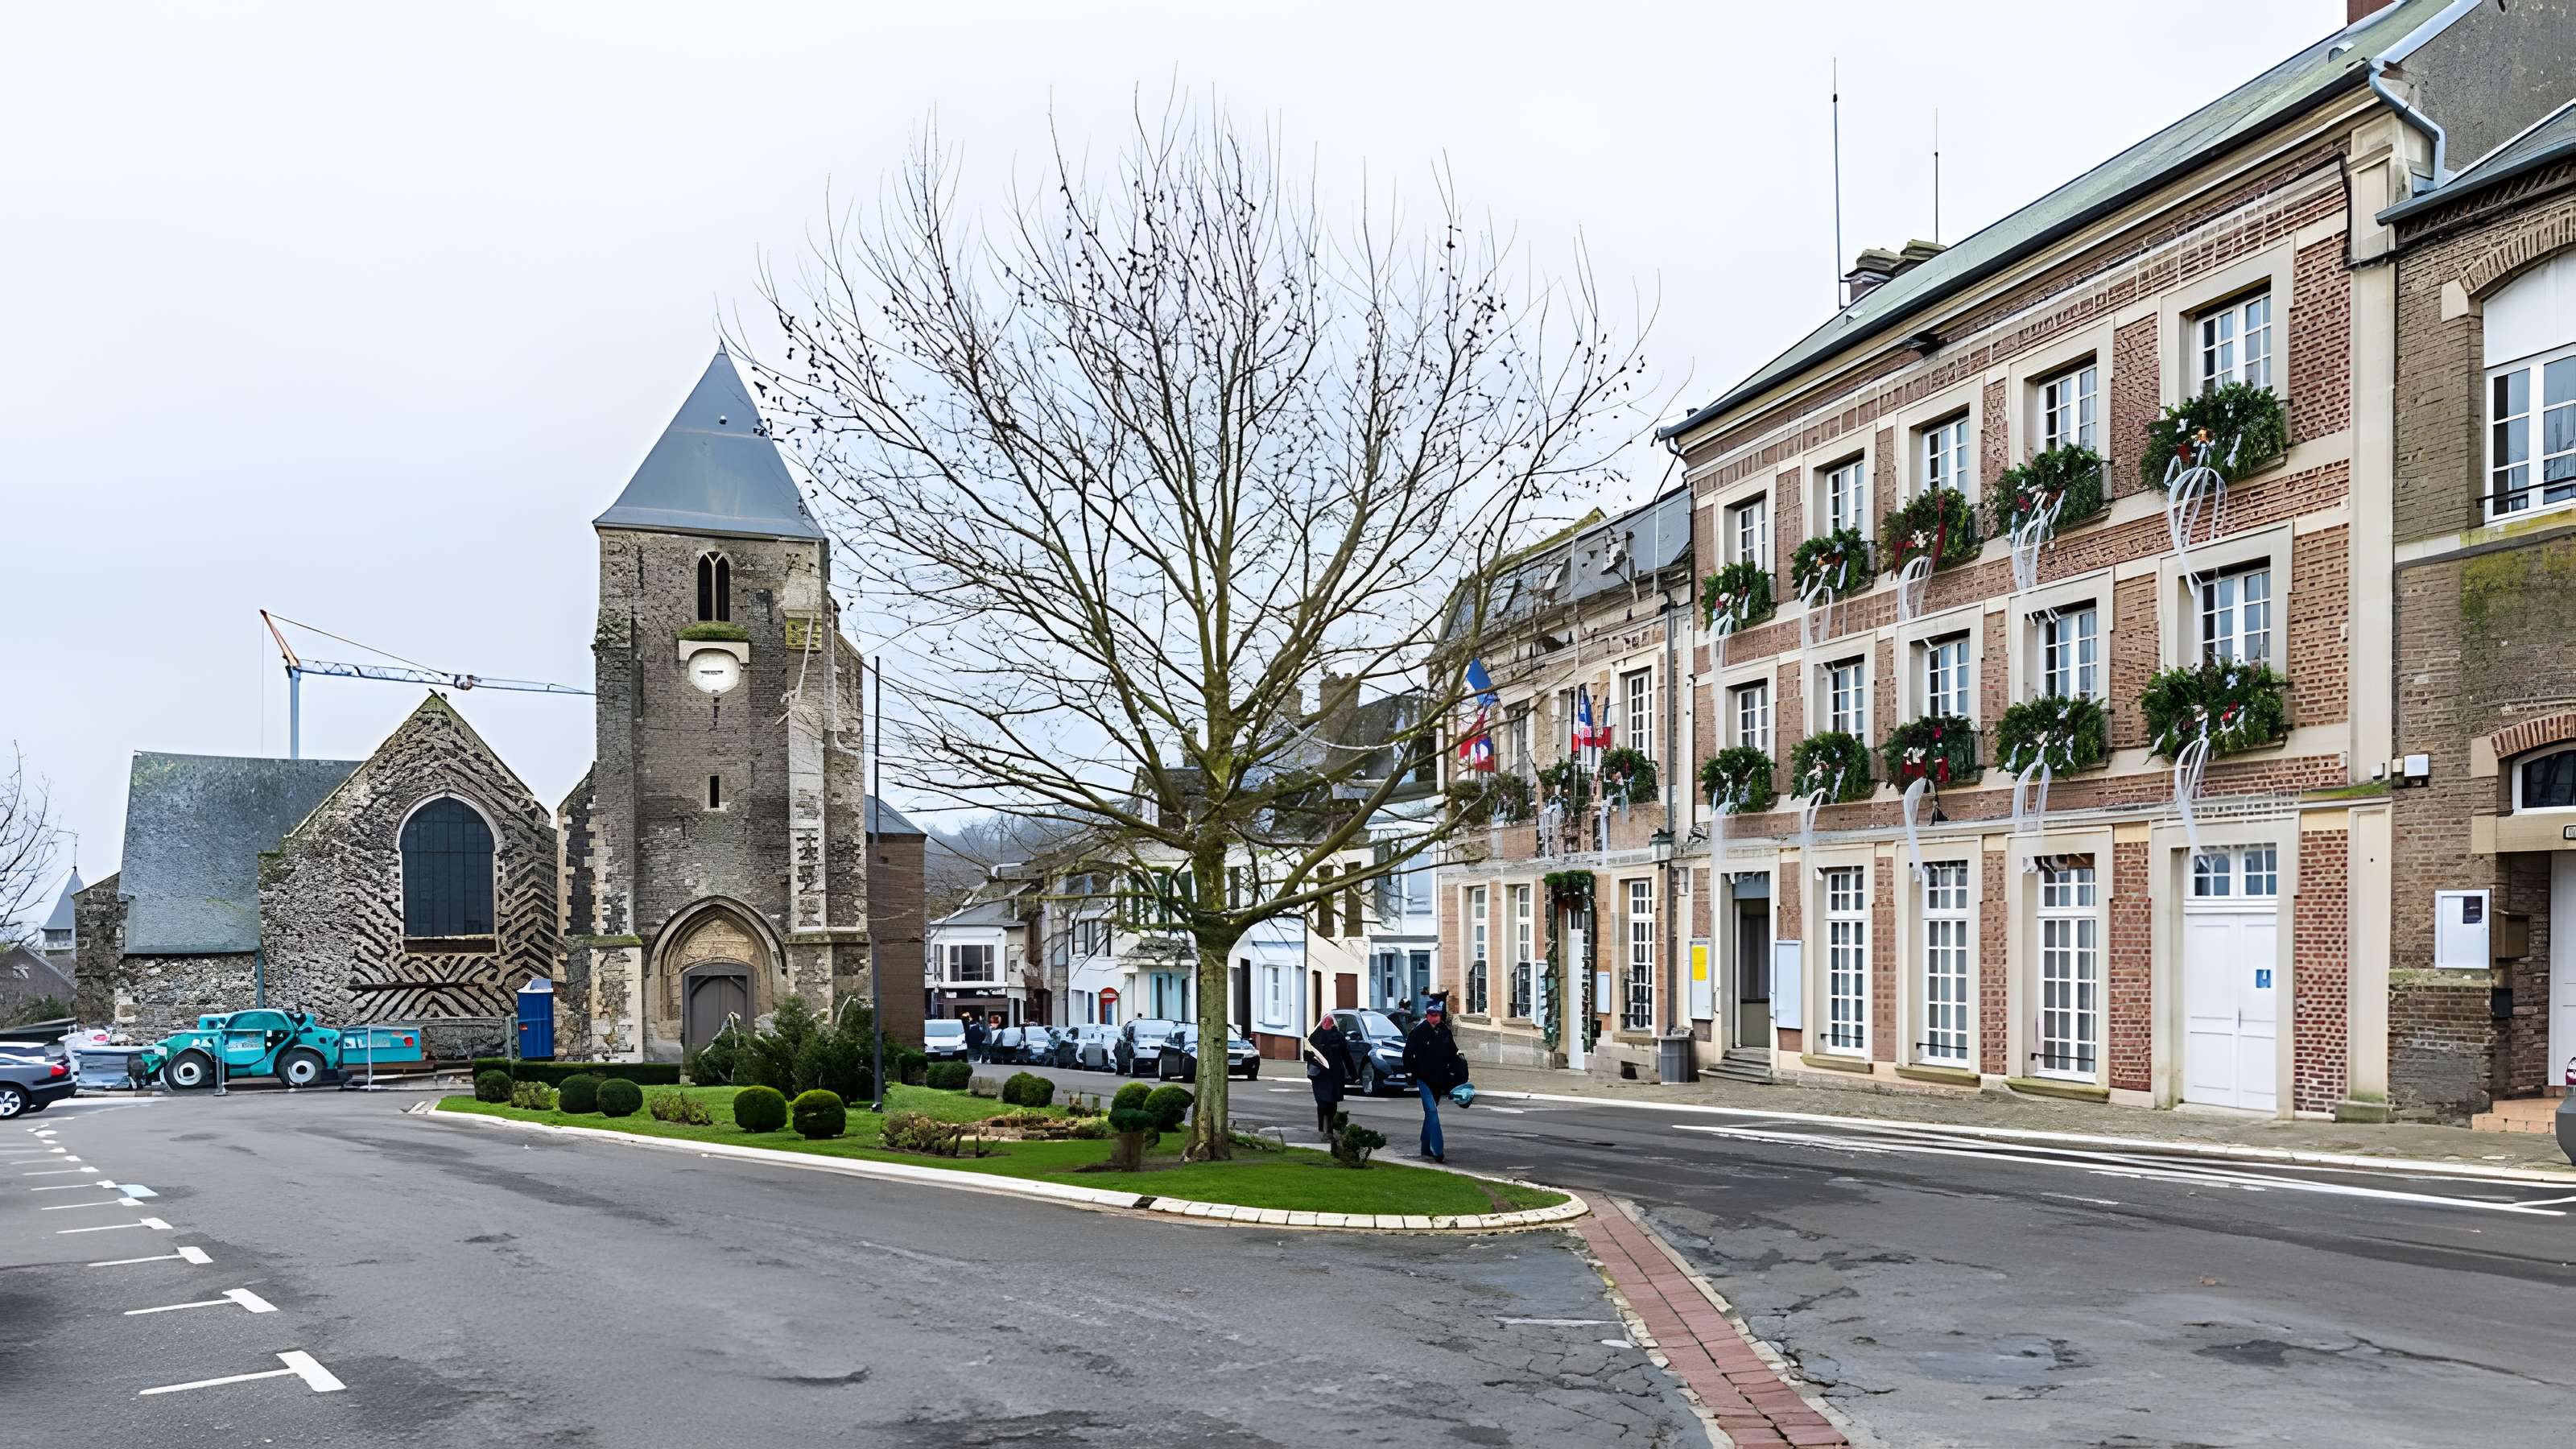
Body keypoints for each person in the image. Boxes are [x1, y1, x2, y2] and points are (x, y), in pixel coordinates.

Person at [1402, 998, 1468, 1162]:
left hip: (1440, 1080)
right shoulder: (1418, 1032)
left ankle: (1425, 1147)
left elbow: (1452, 1053)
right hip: (1424, 1079)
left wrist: (1459, 1076)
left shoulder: (1445, 1031)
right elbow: (1408, 1054)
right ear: (1427, 1014)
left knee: (1429, 1115)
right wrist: (1410, 1074)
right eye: (1432, 1014)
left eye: (1438, 1014)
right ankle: (1437, 1150)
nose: (1435, 1018)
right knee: (1432, 1111)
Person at [1307, 1013, 1351, 1138]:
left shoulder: (1336, 1037)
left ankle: (1327, 1130)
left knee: (1327, 1103)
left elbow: (1346, 1056)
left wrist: (1353, 1074)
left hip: (1328, 1075)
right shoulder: (1316, 1037)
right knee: (1326, 1103)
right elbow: (1309, 1055)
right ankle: (1326, 1129)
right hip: (1324, 1075)